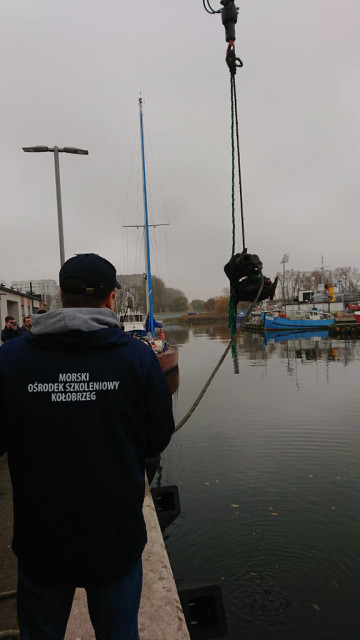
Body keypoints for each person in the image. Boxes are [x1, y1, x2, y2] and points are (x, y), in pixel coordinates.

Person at [0, 252, 175, 640]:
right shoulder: (138, 359)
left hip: (40, 541)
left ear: (60, 296)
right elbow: (158, 436)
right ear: (112, 299)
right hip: (114, 539)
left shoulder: (10, 359)